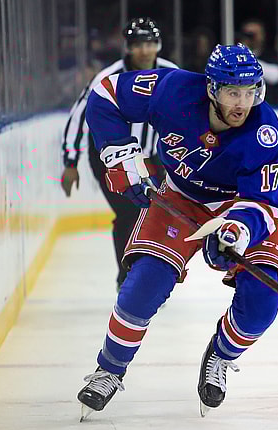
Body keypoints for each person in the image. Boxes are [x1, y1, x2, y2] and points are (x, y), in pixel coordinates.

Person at [76, 43, 278, 417]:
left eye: (250, 91)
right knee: (142, 287)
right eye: (231, 92)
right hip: (178, 197)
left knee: (263, 299)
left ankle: (220, 355)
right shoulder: (172, 89)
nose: (242, 103)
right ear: (211, 89)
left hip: (237, 207)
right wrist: (119, 154)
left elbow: (264, 205)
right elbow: (105, 93)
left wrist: (236, 231)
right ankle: (109, 370)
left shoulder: (267, 135)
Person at [60, 17, 178, 290]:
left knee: (156, 213)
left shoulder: (172, 74)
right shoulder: (108, 78)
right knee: (129, 213)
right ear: (127, 47)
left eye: (150, 43)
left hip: (152, 158)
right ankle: (127, 277)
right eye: (138, 44)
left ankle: (145, 271)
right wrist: (70, 161)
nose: (145, 50)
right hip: (110, 159)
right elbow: (80, 115)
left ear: (158, 45)